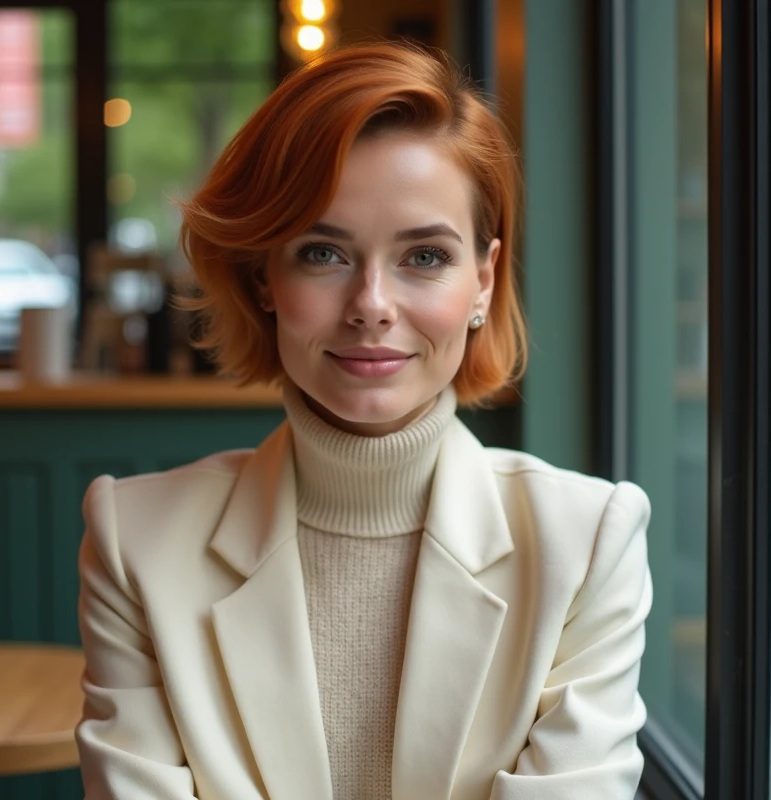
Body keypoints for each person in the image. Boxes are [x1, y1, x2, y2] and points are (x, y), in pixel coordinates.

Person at [76, 42, 653, 800]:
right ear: (264, 280)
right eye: (322, 252)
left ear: (482, 279)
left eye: (424, 257)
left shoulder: (588, 543)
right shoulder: (135, 540)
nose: (372, 304)